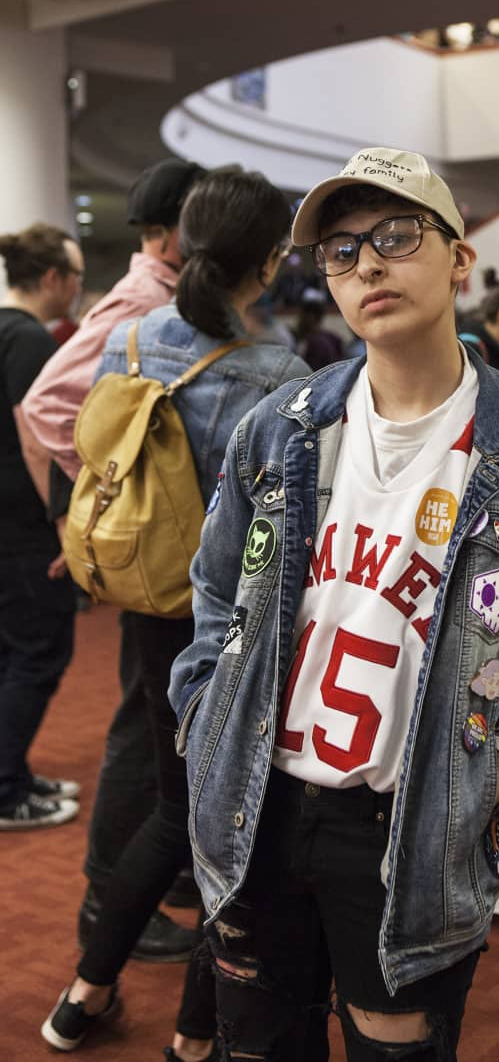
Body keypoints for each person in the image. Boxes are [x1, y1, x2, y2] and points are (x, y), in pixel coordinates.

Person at [167, 145, 499, 1060]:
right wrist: (204, 719)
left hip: (411, 827)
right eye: (339, 251)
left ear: (461, 257)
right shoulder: (283, 429)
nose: (367, 264)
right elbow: (216, 593)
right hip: (255, 805)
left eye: (395, 234)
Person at [42, 170, 308, 1057]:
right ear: (269, 264)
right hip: (234, 630)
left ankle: (82, 994)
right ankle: (195, 1038)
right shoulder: (280, 374)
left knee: (172, 810)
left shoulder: (129, 336)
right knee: (237, 830)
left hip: (147, 604)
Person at [20, 158, 206, 963]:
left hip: (166, 550)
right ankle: (108, 889)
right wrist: (94, 503)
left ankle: (149, 874)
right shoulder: (143, 301)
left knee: (160, 710)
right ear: (171, 231)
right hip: (152, 551)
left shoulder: (164, 297)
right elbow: (46, 404)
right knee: (145, 717)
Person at [0, 224, 83, 830]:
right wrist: (63, 523)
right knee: (38, 654)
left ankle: (12, 773)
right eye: (76, 277)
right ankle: (6, 791)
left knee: (12, 656)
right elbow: (35, 441)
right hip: (25, 528)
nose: (78, 289)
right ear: (52, 278)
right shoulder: (27, 339)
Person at [291, 288, 345, 371]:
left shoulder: (317, 343)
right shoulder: (333, 338)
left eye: (301, 316)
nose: (298, 320)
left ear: (311, 317)